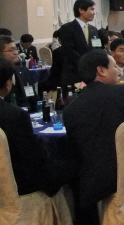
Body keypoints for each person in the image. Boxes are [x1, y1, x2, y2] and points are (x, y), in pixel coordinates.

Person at [63, 50, 124, 225]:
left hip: (92, 180)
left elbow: (75, 149)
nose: (119, 71)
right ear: (101, 71)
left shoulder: (71, 109)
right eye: (115, 66)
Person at [0, 57, 72, 196]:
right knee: (73, 164)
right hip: (18, 183)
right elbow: (34, 157)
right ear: (8, 83)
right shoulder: (14, 115)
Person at [58, 0, 99, 86]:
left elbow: (97, 48)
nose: (94, 13)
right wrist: (86, 63)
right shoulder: (67, 28)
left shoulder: (94, 30)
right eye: (91, 9)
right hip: (74, 73)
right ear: (81, 10)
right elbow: (69, 51)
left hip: (91, 74)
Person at [1, 35, 38, 111]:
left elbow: (32, 97)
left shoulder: (23, 71)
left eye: (16, 49)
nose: (15, 53)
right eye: (11, 50)